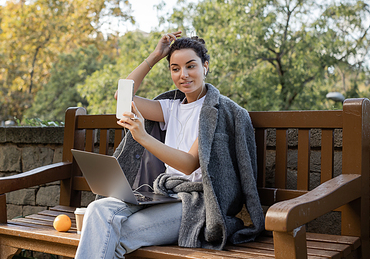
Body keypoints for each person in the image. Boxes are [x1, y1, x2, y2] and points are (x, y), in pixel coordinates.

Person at [75, 31, 264, 259]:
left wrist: (143, 137)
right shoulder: (171, 108)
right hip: (162, 194)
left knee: (109, 236)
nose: (183, 74)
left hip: (195, 203)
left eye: (190, 66)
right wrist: (155, 55)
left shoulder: (217, 112)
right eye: (175, 68)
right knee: (97, 210)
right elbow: (123, 96)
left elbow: (189, 164)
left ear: (205, 67)